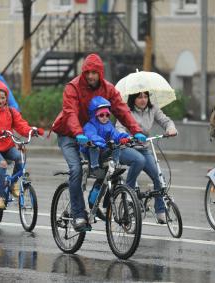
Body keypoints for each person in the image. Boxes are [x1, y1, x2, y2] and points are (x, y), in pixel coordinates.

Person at [52, 53, 145, 232]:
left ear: (100, 73)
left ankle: (96, 199)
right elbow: (70, 113)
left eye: (95, 72)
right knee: (76, 169)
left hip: (94, 136)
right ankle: (78, 215)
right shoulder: (72, 87)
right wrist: (78, 133)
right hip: (70, 134)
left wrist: (136, 131)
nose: (91, 76)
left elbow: (121, 110)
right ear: (83, 72)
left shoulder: (108, 88)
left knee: (110, 167)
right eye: (88, 72)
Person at [0, 80, 43, 210]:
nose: (0, 100)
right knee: (2, 164)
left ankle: (13, 183)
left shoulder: (11, 112)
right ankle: (0, 197)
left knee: (20, 158)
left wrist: (32, 130)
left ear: (6, 98)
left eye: (3, 98)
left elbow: (21, 125)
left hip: (7, 146)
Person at [116, 91, 177, 224]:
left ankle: (160, 211)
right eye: (139, 97)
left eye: (145, 96)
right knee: (139, 160)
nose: (143, 100)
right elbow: (119, 128)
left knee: (159, 177)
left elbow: (166, 121)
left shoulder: (153, 109)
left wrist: (170, 128)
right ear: (133, 98)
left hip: (143, 148)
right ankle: (129, 192)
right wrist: (126, 137)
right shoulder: (126, 110)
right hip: (127, 148)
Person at [81, 96, 130, 178]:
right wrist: (100, 142)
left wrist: (124, 137)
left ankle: (115, 165)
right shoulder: (90, 125)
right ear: (95, 115)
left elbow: (115, 134)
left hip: (103, 150)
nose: (105, 117)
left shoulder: (109, 125)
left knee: (116, 145)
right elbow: (91, 135)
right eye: (101, 115)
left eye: (107, 115)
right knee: (94, 147)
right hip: (90, 154)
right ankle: (94, 168)